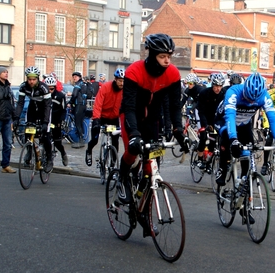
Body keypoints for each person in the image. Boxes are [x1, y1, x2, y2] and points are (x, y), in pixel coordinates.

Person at [117, 34, 188, 239]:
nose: (167, 60)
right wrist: (134, 135)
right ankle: (122, 180)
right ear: (152, 55)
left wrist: (178, 131)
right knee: (133, 150)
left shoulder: (172, 74)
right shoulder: (134, 71)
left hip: (152, 120)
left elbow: (175, 107)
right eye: (163, 56)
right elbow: (129, 107)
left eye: (169, 56)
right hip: (131, 116)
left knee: (152, 167)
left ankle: (143, 211)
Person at [214, 72, 275, 189]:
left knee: (248, 150)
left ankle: (244, 180)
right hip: (224, 121)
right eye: (249, 98)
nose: (251, 101)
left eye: (254, 100)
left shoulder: (264, 96)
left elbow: (273, 118)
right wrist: (234, 139)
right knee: (227, 137)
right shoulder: (233, 92)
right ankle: (222, 169)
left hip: (244, 123)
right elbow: (230, 116)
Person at [15, 66, 53, 172]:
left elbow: (47, 106)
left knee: (45, 136)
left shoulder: (44, 88)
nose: (31, 82)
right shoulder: (23, 87)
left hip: (44, 110)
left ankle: (49, 159)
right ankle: (29, 151)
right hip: (32, 109)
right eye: (29, 79)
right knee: (28, 130)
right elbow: (20, 103)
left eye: (34, 79)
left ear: (37, 79)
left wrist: (45, 122)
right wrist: (16, 118)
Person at [85, 69, 124, 166]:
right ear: (115, 79)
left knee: (115, 142)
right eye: (120, 80)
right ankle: (89, 150)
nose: (122, 83)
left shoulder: (125, 90)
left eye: (123, 81)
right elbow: (98, 104)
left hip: (114, 118)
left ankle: (113, 165)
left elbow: (127, 108)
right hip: (101, 116)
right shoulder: (106, 87)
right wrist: (96, 119)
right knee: (95, 139)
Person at [194, 72, 225, 170]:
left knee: (213, 140)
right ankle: (199, 159)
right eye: (216, 86)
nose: (218, 89)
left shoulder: (223, 94)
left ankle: (208, 162)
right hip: (203, 115)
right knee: (203, 136)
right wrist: (206, 125)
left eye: (220, 86)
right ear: (212, 85)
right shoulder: (204, 93)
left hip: (215, 118)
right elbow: (201, 112)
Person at [45, 76, 69, 166]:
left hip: (56, 120)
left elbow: (63, 109)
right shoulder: (43, 95)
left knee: (57, 142)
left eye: (51, 88)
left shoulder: (60, 96)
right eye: (48, 88)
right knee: (43, 139)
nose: (50, 91)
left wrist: (61, 121)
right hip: (46, 120)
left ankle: (63, 154)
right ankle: (47, 158)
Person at [67, 71, 87, 148]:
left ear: (79, 77)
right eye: (73, 76)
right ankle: (82, 140)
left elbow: (75, 94)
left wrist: (70, 102)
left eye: (75, 76)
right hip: (83, 105)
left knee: (78, 122)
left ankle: (80, 141)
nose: (74, 78)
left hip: (78, 105)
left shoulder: (78, 85)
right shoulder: (83, 84)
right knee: (81, 123)